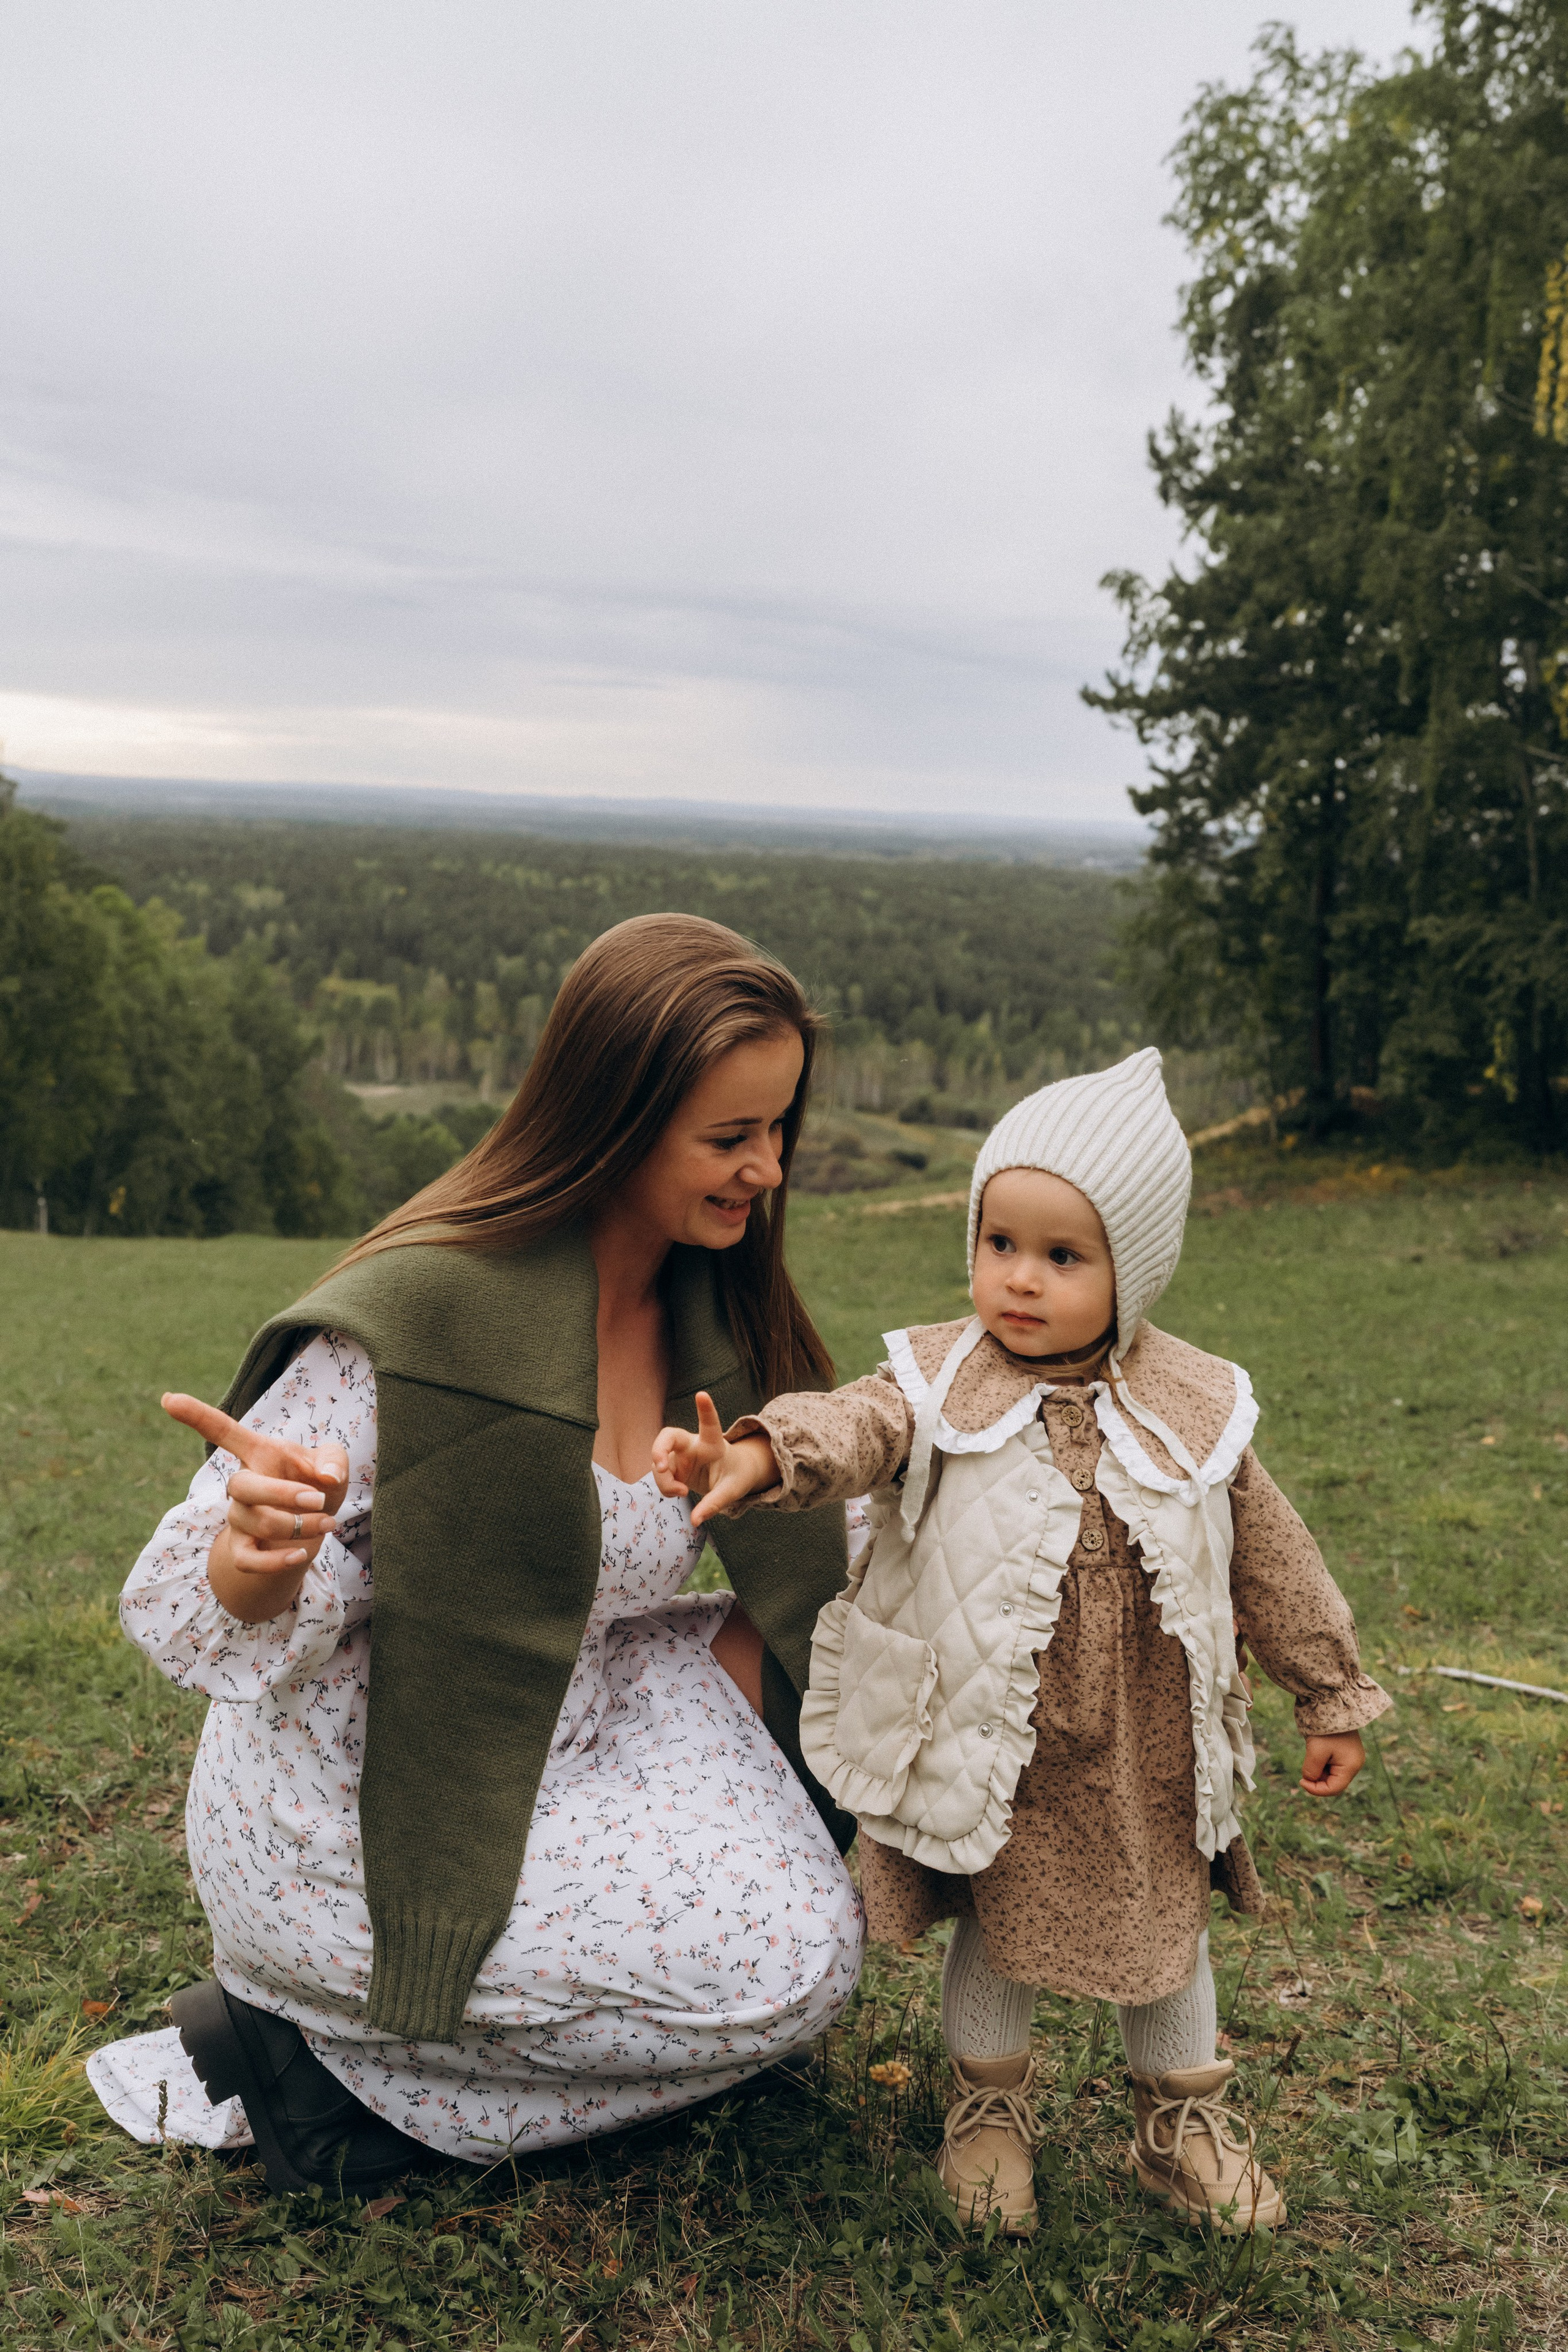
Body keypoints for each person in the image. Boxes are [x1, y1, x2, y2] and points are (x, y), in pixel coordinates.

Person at [86, 914, 864, 2191]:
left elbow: (837, 1520)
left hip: (575, 1719)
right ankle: (315, 2073)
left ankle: (430, 2057)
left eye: (778, 1129)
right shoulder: (423, 1312)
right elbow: (181, 1609)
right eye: (729, 1138)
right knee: (790, 1976)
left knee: (854, 1697)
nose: (767, 1169)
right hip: (363, 1806)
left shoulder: (708, 1303)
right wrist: (260, 1559)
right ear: (615, 1118)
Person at [653, 1047, 1390, 2236]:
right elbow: (856, 1424)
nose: (1020, 1280)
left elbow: (1271, 1554)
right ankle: (987, 2113)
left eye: (1062, 1256)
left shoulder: (1196, 1407)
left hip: (1144, 1742)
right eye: (1000, 1244)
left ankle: (1179, 2119)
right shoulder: (939, 1380)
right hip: (992, 1732)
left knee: (1163, 1932)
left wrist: (1329, 1691)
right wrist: (758, 1454)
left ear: (1133, 1268)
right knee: (995, 1924)